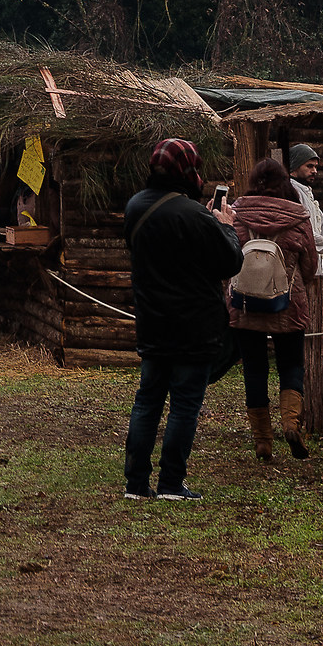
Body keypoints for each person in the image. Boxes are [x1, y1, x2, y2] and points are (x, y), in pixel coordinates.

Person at [121, 138, 243, 502]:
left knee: (148, 401)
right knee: (185, 405)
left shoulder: (135, 206)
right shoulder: (195, 215)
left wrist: (205, 219)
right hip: (194, 325)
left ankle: (136, 485)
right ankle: (172, 483)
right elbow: (230, 261)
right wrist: (224, 224)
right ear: (186, 170)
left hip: (153, 320)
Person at [231, 155, 319, 462]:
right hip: (288, 301)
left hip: (246, 302)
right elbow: (310, 266)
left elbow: (228, 257)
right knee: (291, 365)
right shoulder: (299, 216)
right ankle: (291, 424)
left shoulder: (238, 213)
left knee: (254, 369)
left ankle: (263, 441)